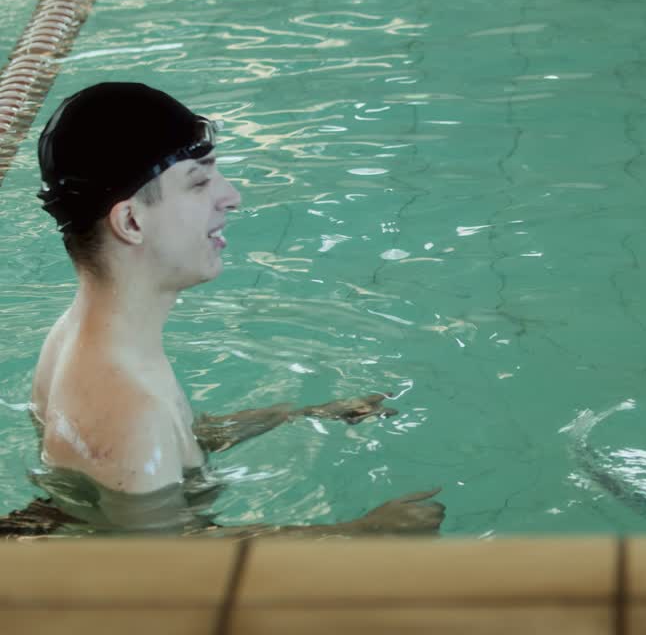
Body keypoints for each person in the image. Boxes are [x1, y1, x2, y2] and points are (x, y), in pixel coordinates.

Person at [10, 82, 443, 535]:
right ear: (132, 221)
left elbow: (169, 449)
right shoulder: (129, 414)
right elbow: (172, 570)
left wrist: (296, 416)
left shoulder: (83, 339)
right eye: (199, 182)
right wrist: (358, 534)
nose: (231, 195)